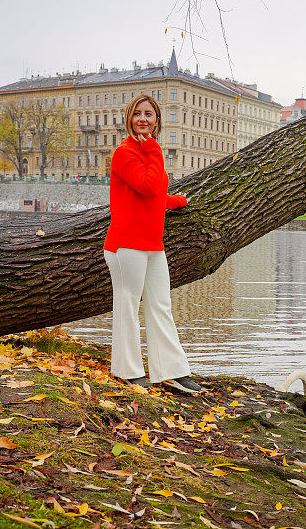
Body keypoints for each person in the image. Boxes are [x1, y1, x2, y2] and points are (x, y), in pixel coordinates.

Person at [103, 94, 201, 393]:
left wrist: (174, 202)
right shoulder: (125, 152)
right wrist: (155, 150)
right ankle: (128, 370)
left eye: (149, 114)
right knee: (128, 305)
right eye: (137, 114)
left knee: (160, 305)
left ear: (157, 119)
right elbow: (146, 185)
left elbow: (153, 193)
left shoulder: (146, 151)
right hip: (126, 244)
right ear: (129, 119)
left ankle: (170, 370)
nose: (143, 119)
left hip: (152, 244)